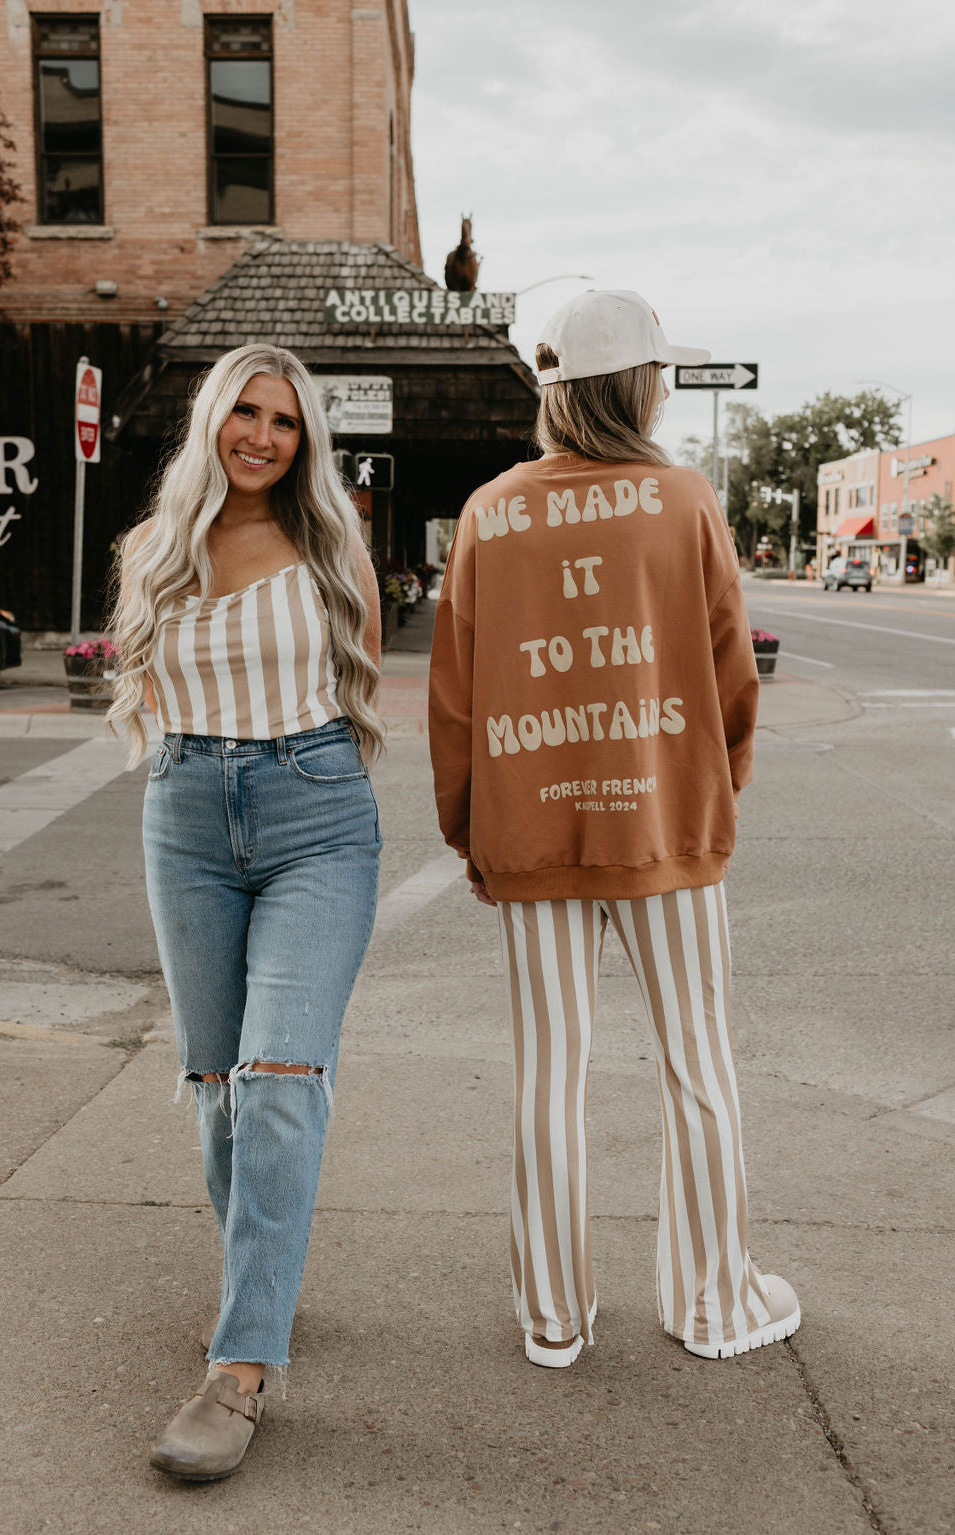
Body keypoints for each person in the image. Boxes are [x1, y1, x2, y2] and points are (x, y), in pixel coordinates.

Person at [428, 290, 800, 1368]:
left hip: (529, 832)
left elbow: (454, 697)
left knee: (548, 1070)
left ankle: (553, 1314)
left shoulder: (490, 510)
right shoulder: (683, 501)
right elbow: (731, 671)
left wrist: (470, 832)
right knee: (697, 1065)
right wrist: (711, 793)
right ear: (641, 384)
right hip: (665, 820)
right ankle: (712, 1300)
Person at [109, 342, 384, 1478]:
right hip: (183, 815)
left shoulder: (330, 546)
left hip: (316, 811)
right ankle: (256, 1292)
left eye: (284, 419)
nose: (262, 435)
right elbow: (138, 684)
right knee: (218, 1086)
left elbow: (361, 680)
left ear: (304, 438)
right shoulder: (151, 553)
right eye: (245, 412)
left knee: (278, 1079)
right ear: (213, 420)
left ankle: (239, 1370)